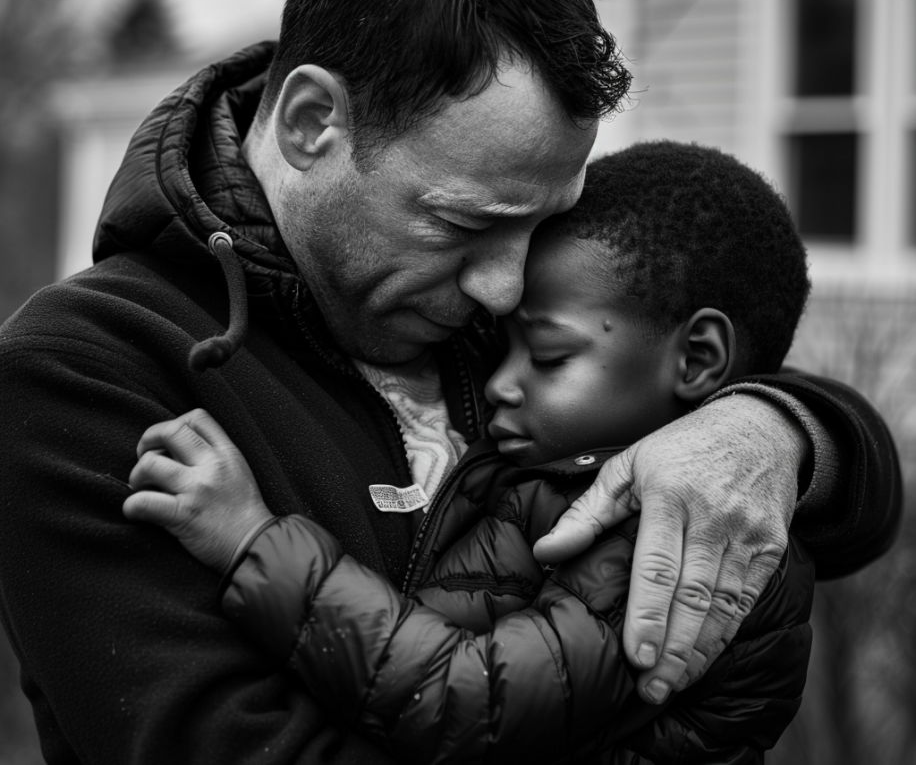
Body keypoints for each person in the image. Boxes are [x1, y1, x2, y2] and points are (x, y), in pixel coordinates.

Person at [0, 0, 900, 765]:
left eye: (543, 223)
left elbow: (861, 506)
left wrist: (768, 432)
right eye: (467, 223)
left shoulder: (485, 308)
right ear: (316, 123)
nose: (507, 292)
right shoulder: (82, 373)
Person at [126, 142, 818, 764]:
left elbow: (472, 705)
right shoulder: (557, 478)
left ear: (697, 358)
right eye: (503, 344)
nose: (500, 384)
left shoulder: (666, 540)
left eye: (548, 356)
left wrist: (255, 544)